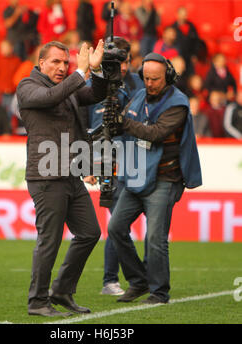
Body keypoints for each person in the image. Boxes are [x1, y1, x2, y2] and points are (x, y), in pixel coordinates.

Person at [16, 40, 107, 317]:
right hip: (46, 175)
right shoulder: (27, 86)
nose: (61, 67)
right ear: (40, 63)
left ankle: (62, 291)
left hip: (70, 174)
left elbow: (95, 95)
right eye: (55, 61)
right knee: (50, 239)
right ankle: (37, 302)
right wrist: (79, 74)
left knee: (90, 232)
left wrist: (97, 70)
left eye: (65, 63)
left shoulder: (68, 88)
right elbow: (49, 98)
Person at [107, 52, 202, 304]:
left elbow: (156, 133)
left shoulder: (178, 103)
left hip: (165, 177)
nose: (149, 84)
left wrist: (123, 123)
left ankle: (159, 291)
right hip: (137, 174)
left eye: (156, 79)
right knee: (115, 227)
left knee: (155, 238)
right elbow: (124, 121)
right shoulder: (138, 96)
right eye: (146, 78)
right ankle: (138, 281)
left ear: (168, 77)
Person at [84, 37, 144, 296]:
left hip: (136, 161)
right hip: (110, 162)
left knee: (121, 224)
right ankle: (112, 280)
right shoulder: (94, 85)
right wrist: (90, 164)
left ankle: (122, 279)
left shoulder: (138, 83)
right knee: (118, 223)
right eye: (116, 60)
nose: (120, 66)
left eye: (123, 60)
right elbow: (86, 127)